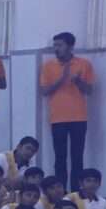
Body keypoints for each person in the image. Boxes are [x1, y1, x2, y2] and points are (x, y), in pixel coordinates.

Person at [38, 32, 93, 188]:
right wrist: (61, 79)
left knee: (77, 158)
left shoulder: (84, 64)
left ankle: (76, 192)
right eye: (55, 45)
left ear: (70, 46)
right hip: (58, 118)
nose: (56, 48)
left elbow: (89, 90)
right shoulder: (48, 66)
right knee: (60, 158)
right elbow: (44, 91)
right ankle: (59, 191)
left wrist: (78, 81)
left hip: (79, 118)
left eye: (60, 45)